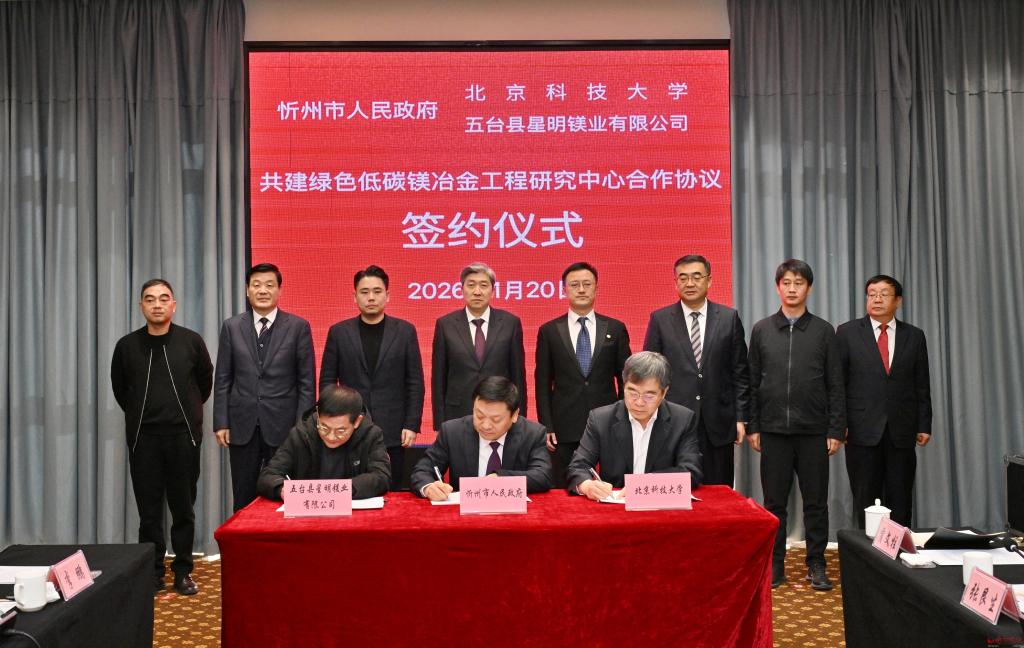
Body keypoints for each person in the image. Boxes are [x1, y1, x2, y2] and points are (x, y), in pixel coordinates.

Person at [747, 259, 845, 591]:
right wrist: (755, 426)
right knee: (774, 503)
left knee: (816, 503)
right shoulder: (762, 329)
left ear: (809, 288)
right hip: (773, 431)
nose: (792, 289)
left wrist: (835, 429)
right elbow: (752, 382)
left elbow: (835, 384)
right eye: (786, 283)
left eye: (798, 283)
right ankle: (775, 565)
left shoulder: (823, 331)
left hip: (814, 432)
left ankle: (816, 563)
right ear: (778, 287)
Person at [110, 279, 212, 595]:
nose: (157, 304)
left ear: (173, 305)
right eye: (150, 299)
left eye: (163, 298)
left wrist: (189, 416)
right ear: (141, 305)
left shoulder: (191, 341)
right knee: (149, 513)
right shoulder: (127, 346)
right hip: (145, 440)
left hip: (183, 437)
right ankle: (153, 572)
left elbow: (204, 384)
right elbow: (120, 389)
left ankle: (183, 571)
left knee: (183, 509)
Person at [214, 263, 315, 511]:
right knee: (243, 497)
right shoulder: (232, 326)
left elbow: (306, 383)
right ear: (247, 290)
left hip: (285, 426)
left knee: (286, 496)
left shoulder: (298, 327)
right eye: (256, 285)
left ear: (280, 290)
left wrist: (302, 426)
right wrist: (221, 422)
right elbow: (223, 378)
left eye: (270, 285)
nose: (262, 290)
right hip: (242, 425)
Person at [644, 254, 750, 486]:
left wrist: (741, 417)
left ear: (709, 280)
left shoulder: (728, 318)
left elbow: (740, 372)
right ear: (675, 283)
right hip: (672, 421)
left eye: (696, 277)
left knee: (718, 491)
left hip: (718, 422)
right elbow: (650, 374)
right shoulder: (660, 319)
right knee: (675, 490)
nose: (689, 283)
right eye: (683, 278)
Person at [837, 275, 932, 528]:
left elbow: (922, 383)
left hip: (902, 429)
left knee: (900, 497)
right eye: (872, 294)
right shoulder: (846, 332)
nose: (877, 299)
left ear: (898, 301)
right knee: (865, 497)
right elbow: (838, 383)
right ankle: (866, 550)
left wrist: (924, 424)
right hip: (860, 429)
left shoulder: (914, 336)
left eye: (883, 294)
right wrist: (839, 424)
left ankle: (900, 549)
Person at [319, 265, 424, 489]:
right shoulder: (339, 332)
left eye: (377, 291)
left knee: (392, 491)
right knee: (350, 491)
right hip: (350, 428)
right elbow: (327, 382)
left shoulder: (405, 331)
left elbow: (415, 383)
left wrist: (412, 424)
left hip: (394, 429)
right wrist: (332, 422)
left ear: (388, 295)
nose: (371, 297)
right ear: (355, 296)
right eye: (364, 292)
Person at [535, 262, 630, 487]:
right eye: (574, 284)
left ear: (596, 288)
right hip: (564, 425)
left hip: (609, 422)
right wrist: (547, 425)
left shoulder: (615, 328)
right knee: (565, 486)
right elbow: (542, 383)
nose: (581, 290)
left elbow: (626, 379)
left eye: (587, 284)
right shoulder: (549, 331)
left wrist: (625, 417)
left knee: (612, 485)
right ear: (564, 290)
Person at [566, 351, 703, 499]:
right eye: (632, 393)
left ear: (664, 393)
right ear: (624, 386)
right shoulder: (601, 419)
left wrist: (644, 484)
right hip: (615, 506)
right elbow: (578, 466)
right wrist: (587, 485)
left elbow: (691, 471)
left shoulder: (682, 420)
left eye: (649, 396)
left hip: (660, 505)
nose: (639, 402)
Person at [410, 376, 552, 499]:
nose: (485, 425)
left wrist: (502, 479)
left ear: (514, 415)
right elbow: (422, 471)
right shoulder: (452, 432)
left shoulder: (532, 434)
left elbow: (542, 475)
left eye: (496, 419)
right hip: (463, 516)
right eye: (479, 415)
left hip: (514, 516)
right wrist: (429, 487)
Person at [430, 262, 526, 429]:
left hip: (500, 412)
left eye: (483, 285)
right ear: (461, 289)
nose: (477, 291)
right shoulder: (445, 325)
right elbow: (439, 379)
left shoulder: (510, 323)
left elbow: (518, 376)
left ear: (493, 291)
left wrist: (520, 419)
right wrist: (439, 424)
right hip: (457, 414)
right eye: (471, 285)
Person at [257, 385, 391, 500]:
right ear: (318, 414)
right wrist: (282, 489)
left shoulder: (371, 435)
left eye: (340, 431)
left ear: (357, 421)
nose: (331, 437)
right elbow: (268, 475)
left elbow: (381, 476)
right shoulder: (302, 433)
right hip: (308, 514)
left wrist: (342, 490)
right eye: (324, 428)